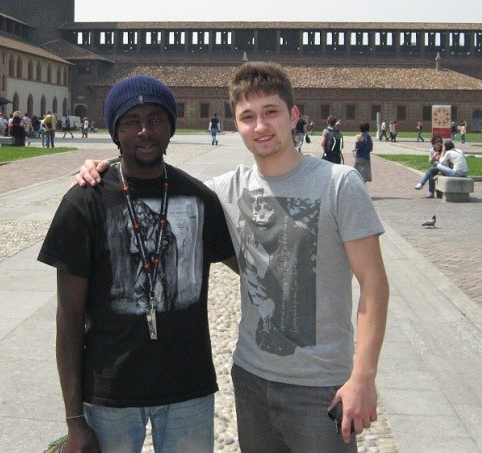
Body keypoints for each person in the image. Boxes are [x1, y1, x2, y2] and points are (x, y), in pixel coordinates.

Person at [75, 62, 390, 450]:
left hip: (322, 385)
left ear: (294, 115)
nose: (260, 126)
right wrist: (102, 169)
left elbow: (374, 283)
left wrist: (363, 376)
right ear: (235, 124)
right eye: (248, 117)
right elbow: (157, 183)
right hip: (251, 378)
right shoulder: (221, 192)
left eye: (271, 112)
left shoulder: (339, 184)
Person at [38, 75, 237, 453]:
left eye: (156, 120)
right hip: (110, 392)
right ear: (116, 131)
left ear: (170, 127)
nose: (145, 131)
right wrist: (74, 420)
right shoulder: (85, 202)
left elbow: (252, 266)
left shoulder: (199, 198)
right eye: (132, 122)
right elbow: (69, 316)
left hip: (188, 388)